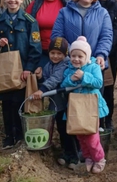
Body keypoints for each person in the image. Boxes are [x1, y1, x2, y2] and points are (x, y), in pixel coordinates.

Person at [0, 0, 42, 149]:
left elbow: (35, 47)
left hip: (22, 70)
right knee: (6, 102)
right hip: (5, 69)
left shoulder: (30, 22)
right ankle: (9, 135)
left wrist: (29, 68)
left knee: (20, 102)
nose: (12, 0)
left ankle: (20, 133)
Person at [51, 0, 113, 127]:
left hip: (93, 64)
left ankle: (96, 133)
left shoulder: (102, 13)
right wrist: (68, 56)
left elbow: (106, 36)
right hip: (71, 64)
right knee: (71, 103)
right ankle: (72, 142)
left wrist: (101, 54)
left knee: (94, 100)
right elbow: (57, 36)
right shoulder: (65, 12)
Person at [62, 36, 108, 174]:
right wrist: (71, 79)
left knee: (91, 135)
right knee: (80, 135)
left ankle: (99, 159)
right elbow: (64, 85)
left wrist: (83, 77)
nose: (76, 59)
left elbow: (98, 83)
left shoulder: (93, 67)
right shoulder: (69, 69)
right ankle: (88, 158)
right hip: (76, 107)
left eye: (80, 56)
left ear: (86, 56)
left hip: (90, 106)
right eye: (73, 55)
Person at [30, 37, 78, 168]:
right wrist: (40, 77)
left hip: (68, 103)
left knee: (71, 129)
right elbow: (47, 77)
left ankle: (75, 156)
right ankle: (66, 152)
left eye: (59, 54)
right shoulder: (49, 64)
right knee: (61, 129)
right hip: (57, 104)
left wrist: (42, 90)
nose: (55, 56)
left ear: (65, 54)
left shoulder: (66, 64)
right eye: (52, 53)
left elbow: (55, 79)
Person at [96, 0, 117, 130]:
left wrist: (108, 47)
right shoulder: (91, 3)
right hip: (92, 53)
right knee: (94, 86)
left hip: (110, 54)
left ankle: (108, 118)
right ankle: (95, 119)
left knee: (108, 87)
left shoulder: (115, 5)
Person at [26, 0, 66, 67]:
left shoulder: (65, 4)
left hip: (61, 50)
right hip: (40, 50)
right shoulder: (34, 4)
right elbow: (26, 23)